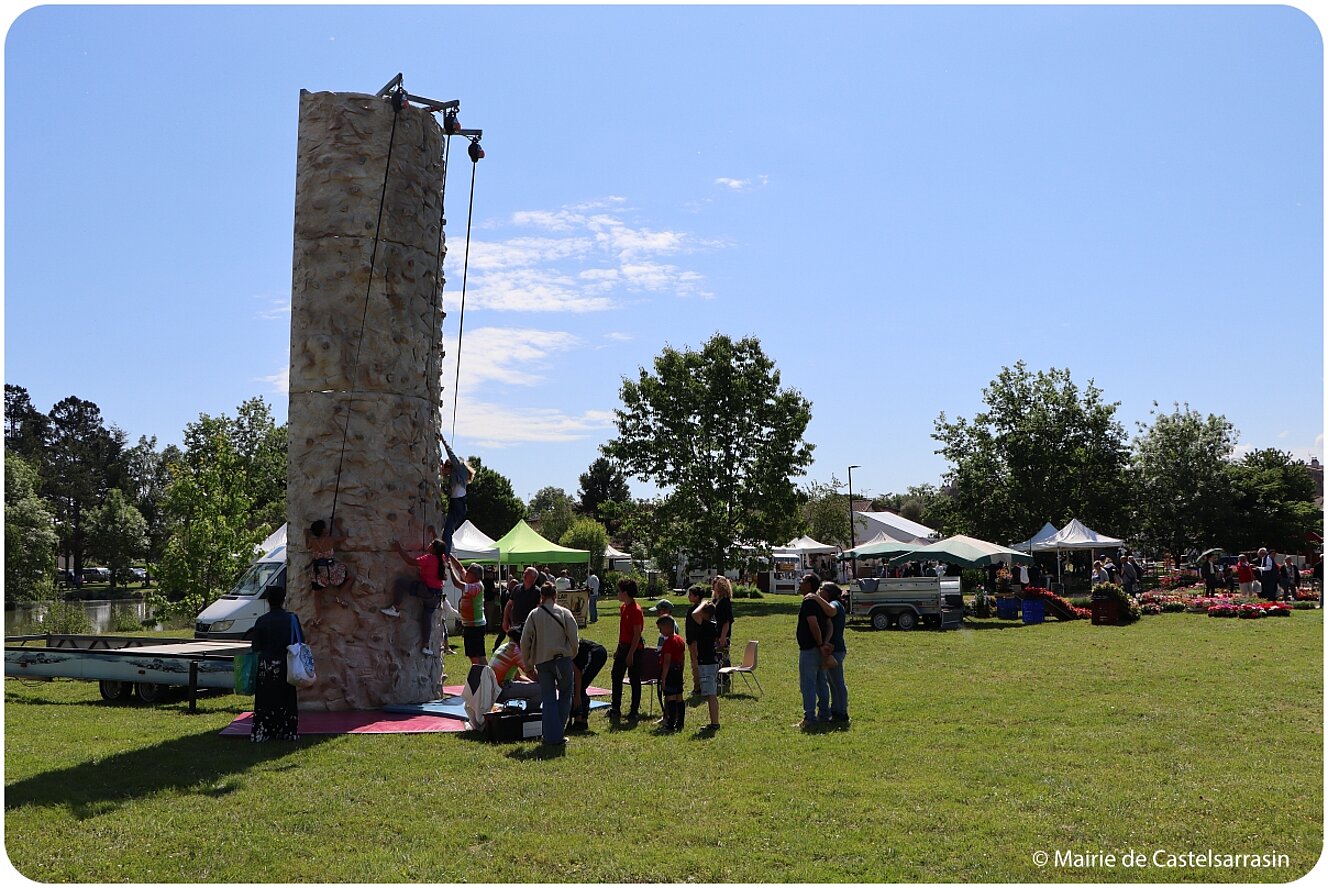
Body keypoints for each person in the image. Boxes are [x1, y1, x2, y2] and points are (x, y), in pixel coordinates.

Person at [520, 582, 579, 747]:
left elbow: (525, 641)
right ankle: (556, 733)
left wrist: (528, 664)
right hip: (562, 660)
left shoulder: (534, 614)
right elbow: (574, 638)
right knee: (566, 694)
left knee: (548, 698)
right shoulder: (564, 613)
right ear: (555, 595)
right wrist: (572, 653)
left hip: (542, 662)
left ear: (542, 597)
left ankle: (551, 734)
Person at [382, 537, 460, 657]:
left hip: (427, 591)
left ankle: (395, 608)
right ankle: (426, 646)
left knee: (400, 583)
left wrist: (399, 549)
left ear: (434, 549)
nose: (428, 544)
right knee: (426, 619)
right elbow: (441, 547)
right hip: (436, 596)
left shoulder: (429, 558)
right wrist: (434, 532)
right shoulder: (442, 558)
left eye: (431, 544)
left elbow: (410, 561)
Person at [249, 585, 300, 742]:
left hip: (267, 666)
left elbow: (255, 647)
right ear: (284, 600)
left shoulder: (261, 621)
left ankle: (264, 730)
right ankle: (287, 729)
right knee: (286, 697)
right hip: (286, 665)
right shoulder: (292, 619)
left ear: (268, 601)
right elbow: (299, 642)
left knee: (266, 699)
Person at [795, 573, 832, 729]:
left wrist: (819, 644)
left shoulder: (809, 602)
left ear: (809, 585)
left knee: (808, 685)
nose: (800, 583)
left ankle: (809, 717)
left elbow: (813, 624)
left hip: (811, 649)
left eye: (802, 581)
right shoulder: (820, 603)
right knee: (821, 683)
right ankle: (824, 714)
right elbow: (830, 623)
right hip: (820, 648)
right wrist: (825, 643)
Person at [807, 582, 849, 723]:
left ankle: (841, 712)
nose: (819, 592)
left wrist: (813, 597)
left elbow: (831, 611)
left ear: (829, 592)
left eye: (822, 590)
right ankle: (836, 709)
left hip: (836, 649)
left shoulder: (835, 603)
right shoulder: (831, 603)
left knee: (837, 682)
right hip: (833, 648)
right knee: (832, 682)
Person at [305, 517, 355, 624]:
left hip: (319, 572)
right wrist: (338, 526)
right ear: (323, 530)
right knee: (350, 577)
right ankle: (340, 596)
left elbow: (307, 546)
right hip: (331, 569)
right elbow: (344, 537)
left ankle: (319, 617)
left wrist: (307, 536)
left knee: (317, 596)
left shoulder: (313, 541)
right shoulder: (330, 540)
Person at [609, 577, 645, 719]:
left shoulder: (635, 610)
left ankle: (634, 711)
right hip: (623, 647)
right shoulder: (623, 607)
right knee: (616, 675)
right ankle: (615, 708)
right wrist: (619, 649)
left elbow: (637, 634)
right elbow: (623, 631)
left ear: (625, 593)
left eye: (619, 591)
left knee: (634, 679)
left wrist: (631, 654)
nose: (617, 593)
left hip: (635, 648)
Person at [444, 554, 487, 666]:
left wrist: (449, 568)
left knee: (480, 655)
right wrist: (449, 554)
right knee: (472, 655)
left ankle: (486, 677)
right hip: (469, 626)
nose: (465, 573)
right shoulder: (470, 581)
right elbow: (459, 567)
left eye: (469, 572)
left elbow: (457, 583)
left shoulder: (477, 586)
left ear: (475, 576)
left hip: (476, 626)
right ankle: (478, 675)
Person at [438, 433, 476, 556]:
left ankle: (446, 555)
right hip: (456, 504)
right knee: (447, 531)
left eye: (445, 469)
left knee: (447, 532)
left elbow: (451, 454)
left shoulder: (459, 469)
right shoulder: (455, 478)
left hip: (458, 504)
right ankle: (446, 553)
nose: (445, 473)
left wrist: (443, 441)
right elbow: (449, 491)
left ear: (450, 467)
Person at [490, 626, 542, 708]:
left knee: (536, 686)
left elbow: (518, 676)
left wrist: (532, 683)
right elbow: (532, 673)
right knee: (542, 690)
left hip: (493, 689)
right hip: (501, 690)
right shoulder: (516, 651)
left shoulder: (504, 647)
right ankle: (530, 712)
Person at [690, 599, 721, 731]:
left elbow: (694, 614)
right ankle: (714, 722)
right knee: (710, 694)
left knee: (711, 694)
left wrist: (703, 603)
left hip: (707, 663)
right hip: (709, 662)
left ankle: (715, 723)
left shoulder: (707, 624)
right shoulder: (712, 624)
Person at [568, 637, 608, 732]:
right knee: (579, 687)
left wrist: (577, 696)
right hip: (594, 653)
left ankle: (580, 720)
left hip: (595, 653)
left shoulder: (566, 651)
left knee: (579, 688)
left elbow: (577, 673)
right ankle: (581, 720)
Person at [656, 615, 687, 732]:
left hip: (670, 672)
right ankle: (680, 723)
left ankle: (670, 724)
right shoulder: (680, 640)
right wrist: (682, 671)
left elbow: (667, 661)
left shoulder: (669, 642)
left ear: (668, 627)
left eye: (661, 629)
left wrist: (663, 678)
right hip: (678, 670)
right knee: (679, 697)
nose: (660, 632)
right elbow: (683, 658)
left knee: (670, 698)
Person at [710, 576, 735, 690]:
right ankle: (717, 679)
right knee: (716, 658)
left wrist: (723, 637)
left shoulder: (725, 602)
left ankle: (724, 680)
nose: (713, 585)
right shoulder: (715, 601)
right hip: (714, 635)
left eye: (715, 583)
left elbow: (726, 621)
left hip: (722, 635)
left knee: (723, 657)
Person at [683, 585, 705, 695]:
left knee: (696, 665)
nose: (688, 597)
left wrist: (692, 640)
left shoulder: (697, 610)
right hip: (692, 641)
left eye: (691, 595)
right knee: (695, 664)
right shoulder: (696, 609)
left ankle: (698, 687)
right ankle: (698, 686)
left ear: (697, 597)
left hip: (695, 641)